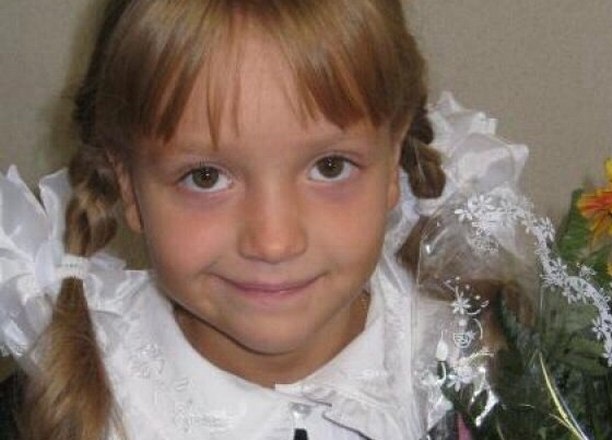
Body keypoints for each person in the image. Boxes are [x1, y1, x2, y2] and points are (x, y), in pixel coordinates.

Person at [0, 1, 452, 439]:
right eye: (206, 177)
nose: (274, 242)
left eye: (330, 167)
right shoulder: (66, 404)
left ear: (393, 159)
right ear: (128, 186)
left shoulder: (464, 364)